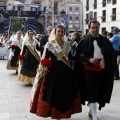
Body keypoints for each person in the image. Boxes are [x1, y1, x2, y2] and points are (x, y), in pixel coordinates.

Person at [30, 25, 82, 119]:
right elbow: (45, 58)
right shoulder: (50, 44)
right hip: (53, 71)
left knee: (64, 92)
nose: (60, 33)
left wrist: (80, 56)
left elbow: (70, 58)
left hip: (65, 71)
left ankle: (62, 113)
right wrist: (45, 65)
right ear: (55, 32)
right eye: (58, 31)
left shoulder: (67, 44)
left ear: (64, 33)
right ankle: (54, 113)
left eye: (62, 31)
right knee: (53, 93)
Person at [76, 20, 114, 120]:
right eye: (92, 28)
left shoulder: (105, 40)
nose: (94, 29)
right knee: (92, 92)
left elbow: (111, 54)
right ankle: (94, 117)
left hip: (102, 71)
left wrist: (105, 61)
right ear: (89, 29)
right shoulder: (83, 41)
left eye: (96, 27)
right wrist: (88, 59)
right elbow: (78, 56)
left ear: (99, 28)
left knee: (98, 92)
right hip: (88, 71)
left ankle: (91, 111)